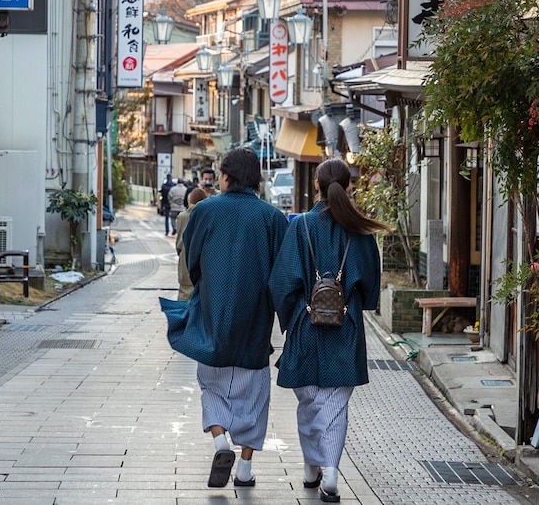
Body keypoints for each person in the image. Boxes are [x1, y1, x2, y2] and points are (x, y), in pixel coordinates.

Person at [159, 147, 289, 488]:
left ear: (227, 176)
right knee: (254, 397)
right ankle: (244, 470)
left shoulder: (205, 211)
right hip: (256, 321)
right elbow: (282, 275)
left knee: (211, 385)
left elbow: (193, 261)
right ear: (256, 178)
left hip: (214, 313)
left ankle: (220, 440)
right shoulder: (273, 218)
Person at [267, 157, 387, 503]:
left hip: (305, 324)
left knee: (308, 402)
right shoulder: (359, 231)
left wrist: (291, 316)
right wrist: (350, 302)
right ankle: (330, 475)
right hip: (345, 327)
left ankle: (310, 468)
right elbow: (369, 289)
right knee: (335, 404)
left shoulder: (300, 225)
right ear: (349, 186)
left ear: (315, 186)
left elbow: (282, 282)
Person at [175, 187, 208, 300]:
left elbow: (179, 244)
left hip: (185, 260)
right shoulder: (207, 215)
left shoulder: (182, 217)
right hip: (204, 263)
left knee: (184, 296)